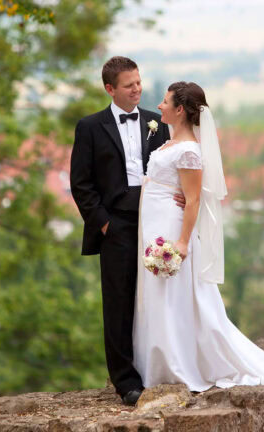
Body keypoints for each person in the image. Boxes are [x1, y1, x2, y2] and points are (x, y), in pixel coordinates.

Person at [132, 82, 264, 405]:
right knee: (155, 293)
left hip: (170, 228)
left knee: (173, 293)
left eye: (165, 102)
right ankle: (156, 364)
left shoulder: (190, 150)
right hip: (152, 224)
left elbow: (192, 200)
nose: (159, 106)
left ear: (180, 110)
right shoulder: (167, 142)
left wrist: (182, 242)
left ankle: (177, 365)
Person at [69, 56, 177, 406]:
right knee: (118, 302)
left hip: (153, 221)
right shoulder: (89, 127)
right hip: (115, 223)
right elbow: (81, 184)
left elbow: (168, 170)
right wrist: (104, 223)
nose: (138, 89)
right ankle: (126, 381)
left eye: (139, 82)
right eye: (129, 85)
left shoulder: (156, 123)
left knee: (155, 298)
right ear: (110, 89)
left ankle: (156, 369)